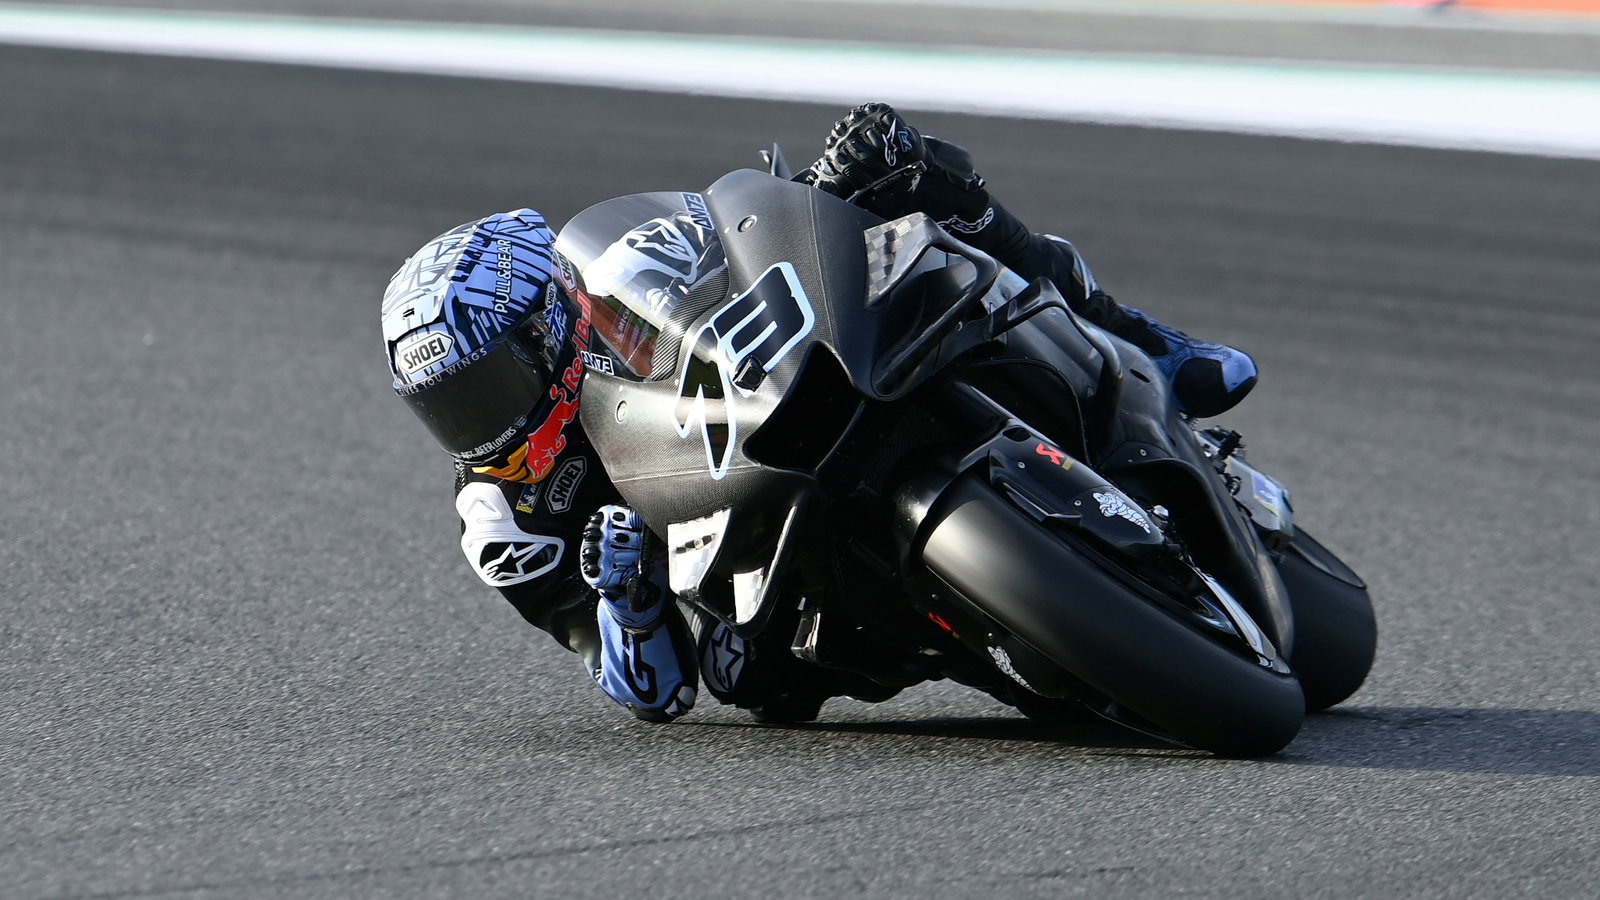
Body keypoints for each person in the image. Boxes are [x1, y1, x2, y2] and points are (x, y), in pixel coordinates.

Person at [378, 103, 1258, 725]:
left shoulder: (615, 286)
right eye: (448, 408)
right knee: (748, 679)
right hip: (762, 576)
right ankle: (999, 626)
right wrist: (629, 596)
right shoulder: (501, 514)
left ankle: (1146, 342)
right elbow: (654, 695)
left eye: (486, 386)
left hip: (792, 383)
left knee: (890, 155)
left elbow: (733, 238)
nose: (478, 427)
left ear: (550, 324)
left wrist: (821, 189)